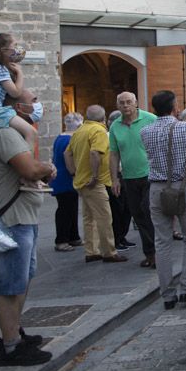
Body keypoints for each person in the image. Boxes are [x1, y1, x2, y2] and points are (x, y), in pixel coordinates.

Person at [0, 118, 57, 365]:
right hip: (11, 220)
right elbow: (31, 170)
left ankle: (14, 332)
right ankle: (11, 345)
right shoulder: (3, 135)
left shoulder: (11, 134)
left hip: (22, 218)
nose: (34, 104)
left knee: (20, 280)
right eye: (29, 99)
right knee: (10, 284)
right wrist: (46, 168)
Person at [141, 90, 186, 309]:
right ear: (174, 107)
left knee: (162, 241)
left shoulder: (146, 131)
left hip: (157, 188)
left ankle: (167, 295)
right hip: (184, 186)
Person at [64, 106, 125, 264]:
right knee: (105, 216)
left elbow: (67, 153)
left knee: (89, 217)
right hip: (94, 182)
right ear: (103, 118)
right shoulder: (98, 131)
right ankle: (109, 252)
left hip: (81, 181)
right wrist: (95, 175)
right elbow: (95, 153)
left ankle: (91, 251)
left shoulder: (79, 131)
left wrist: (74, 173)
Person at [109, 92, 158, 268]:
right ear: (117, 106)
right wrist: (114, 179)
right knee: (138, 215)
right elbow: (114, 154)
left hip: (151, 175)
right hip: (129, 178)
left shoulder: (150, 119)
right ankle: (150, 253)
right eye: (121, 103)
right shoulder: (115, 126)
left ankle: (158, 252)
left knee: (148, 211)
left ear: (136, 103)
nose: (126, 105)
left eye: (129, 102)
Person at [51, 112, 83, 253]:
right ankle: (62, 240)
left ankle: (73, 236)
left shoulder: (60, 137)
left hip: (61, 177)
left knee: (72, 208)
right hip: (67, 178)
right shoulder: (71, 139)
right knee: (65, 210)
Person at [105, 109, 134, 252]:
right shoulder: (109, 135)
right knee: (118, 209)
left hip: (125, 174)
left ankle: (122, 236)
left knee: (126, 209)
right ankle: (117, 238)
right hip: (117, 175)